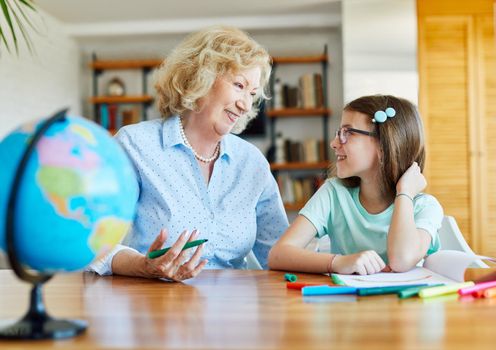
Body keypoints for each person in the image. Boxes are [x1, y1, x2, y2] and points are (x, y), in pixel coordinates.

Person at [88, 26, 288, 280]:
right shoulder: (135, 145)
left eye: (252, 94)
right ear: (200, 78)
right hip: (152, 303)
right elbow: (93, 241)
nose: (245, 104)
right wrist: (141, 265)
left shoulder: (252, 162)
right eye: (239, 85)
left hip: (235, 309)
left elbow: (280, 254)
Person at [268, 95, 444, 275]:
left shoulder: (424, 207)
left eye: (348, 133)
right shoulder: (333, 193)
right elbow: (278, 254)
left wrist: (405, 193)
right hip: (348, 302)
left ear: (384, 145)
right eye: (338, 133)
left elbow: (401, 260)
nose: (334, 143)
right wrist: (337, 262)